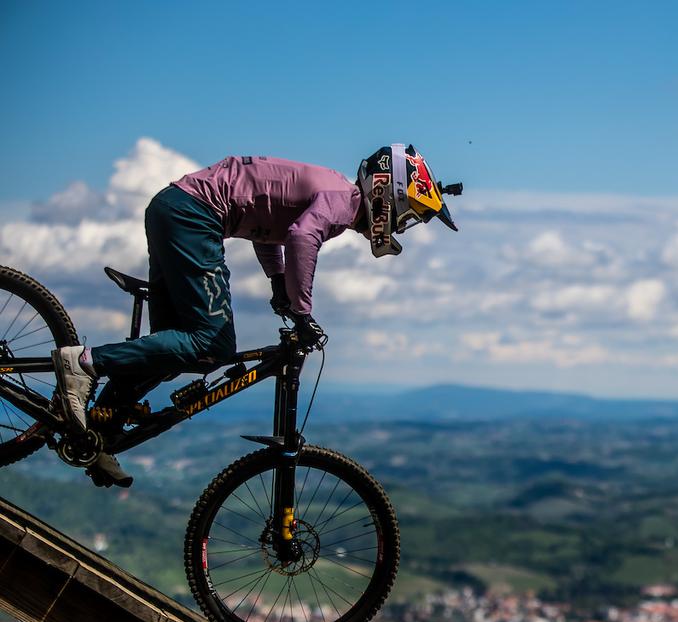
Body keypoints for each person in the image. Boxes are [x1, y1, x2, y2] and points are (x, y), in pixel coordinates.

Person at [51, 145, 461, 487]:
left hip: (173, 208)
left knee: (172, 351)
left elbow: (266, 229)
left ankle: (96, 433)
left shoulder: (333, 190)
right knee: (211, 344)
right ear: (387, 197)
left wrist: (279, 281)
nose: (403, 228)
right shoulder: (343, 200)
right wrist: (302, 311)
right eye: (407, 217)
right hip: (194, 216)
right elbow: (302, 237)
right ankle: (86, 363)